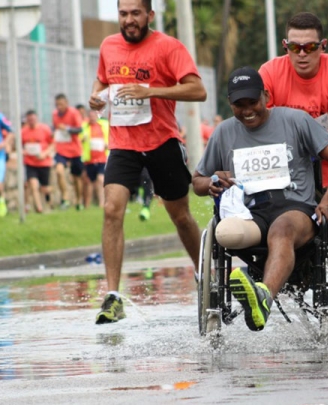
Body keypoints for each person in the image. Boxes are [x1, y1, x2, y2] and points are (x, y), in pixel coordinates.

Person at [192, 67, 328, 331]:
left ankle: (263, 298)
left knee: (282, 228)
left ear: (266, 96)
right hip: (249, 213)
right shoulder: (223, 133)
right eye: (239, 105)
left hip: (295, 208)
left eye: (253, 102)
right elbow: (197, 182)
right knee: (225, 233)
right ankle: (254, 293)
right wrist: (211, 180)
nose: (247, 111)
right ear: (230, 104)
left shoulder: (296, 121)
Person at [89, 0, 206, 324]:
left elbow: (198, 90)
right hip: (123, 143)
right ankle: (113, 296)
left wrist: (151, 92)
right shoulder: (108, 46)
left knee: (180, 216)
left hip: (162, 141)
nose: (129, 20)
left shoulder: (168, 47)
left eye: (135, 13)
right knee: (112, 209)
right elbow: (101, 82)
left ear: (149, 15)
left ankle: (204, 276)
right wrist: (95, 96)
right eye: (123, 14)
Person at [259, 12, 328, 313]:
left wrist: (316, 147)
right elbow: (259, 121)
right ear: (285, 46)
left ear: (323, 45)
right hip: (293, 174)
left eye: (310, 47)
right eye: (295, 47)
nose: (302, 54)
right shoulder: (269, 72)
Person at [52, 94, 84, 211]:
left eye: (61, 104)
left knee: (76, 178)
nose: (59, 107)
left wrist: (67, 129)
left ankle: (79, 200)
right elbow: (55, 128)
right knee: (59, 171)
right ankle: (65, 198)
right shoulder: (54, 114)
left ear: (66, 103)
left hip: (75, 150)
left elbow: (80, 129)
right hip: (61, 149)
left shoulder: (74, 113)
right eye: (57, 105)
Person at [21, 110, 54, 213]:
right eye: (29, 119)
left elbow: (53, 144)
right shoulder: (23, 131)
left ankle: (48, 204)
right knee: (33, 184)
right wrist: (24, 151)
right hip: (30, 163)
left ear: (37, 119)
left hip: (44, 162)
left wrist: (44, 154)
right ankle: (39, 208)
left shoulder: (45, 129)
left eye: (33, 119)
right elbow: (18, 146)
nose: (31, 121)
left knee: (45, 189)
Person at [81, 109, 109, 208]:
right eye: (90, 116)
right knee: (88, 182)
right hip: (89, 159)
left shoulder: (104, 125)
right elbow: (79, 137)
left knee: (100, 179)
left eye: (94, 116)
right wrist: (82, 139)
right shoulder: (84, 126)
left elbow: (110, 136)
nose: (92, 118)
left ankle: (102, 202)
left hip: (102, 158)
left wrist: (107, 144)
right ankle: (87, 205)